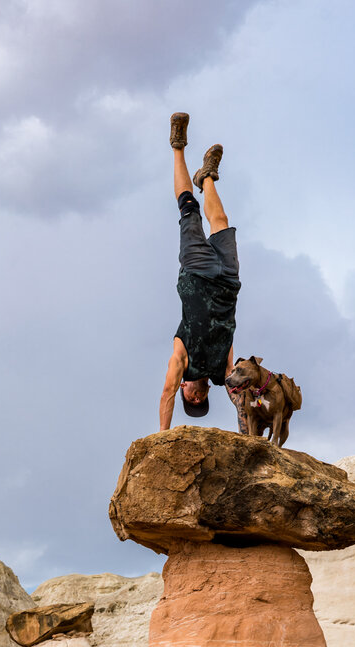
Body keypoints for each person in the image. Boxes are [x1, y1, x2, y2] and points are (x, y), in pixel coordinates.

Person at [159, 112, 241, 431]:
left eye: (193, 400)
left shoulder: (183, 363)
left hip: (195, 275)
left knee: (189, 209)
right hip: (226, 284)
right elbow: (239, 387)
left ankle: (177, 146)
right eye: (203, 401)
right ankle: (207, 176)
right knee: (221, 223)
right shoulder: (222, 373)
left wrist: (161, 439)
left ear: (185, 390)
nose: (199, 397)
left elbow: (166, 391)